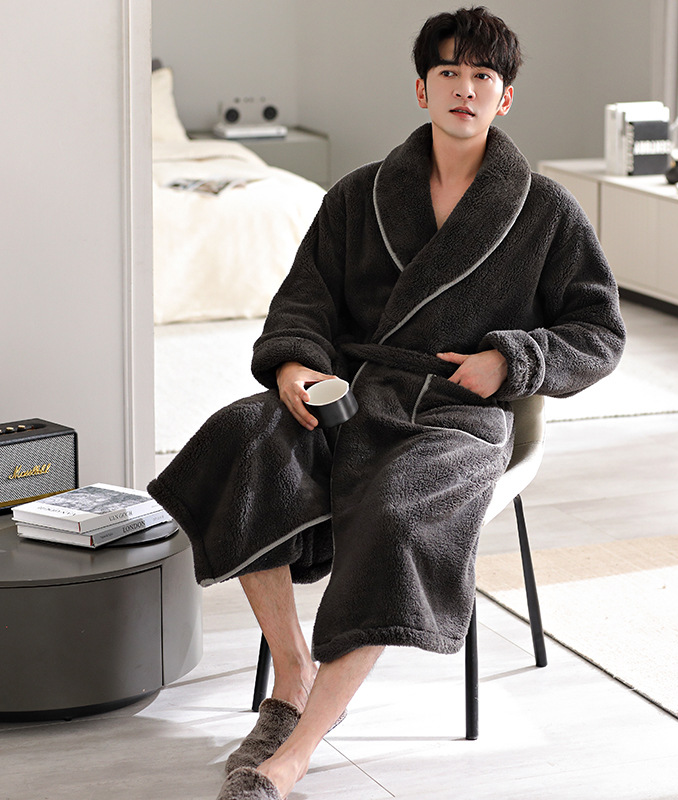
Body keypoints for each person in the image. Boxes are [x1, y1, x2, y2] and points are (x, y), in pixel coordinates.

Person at [148, 7, 626, 799]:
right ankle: (293, 674)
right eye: (448, 73)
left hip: (457, 415)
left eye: (482, 76)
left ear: (504, 97)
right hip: (352, 393)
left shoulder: (545, 211)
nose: (465, 89)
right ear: (422, 88)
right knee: (243, 437)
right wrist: (294, 365)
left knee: (401, 513)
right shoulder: (359, 195)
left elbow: (599, 331)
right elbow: (305, 300)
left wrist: (511, 360)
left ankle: (296, 749)